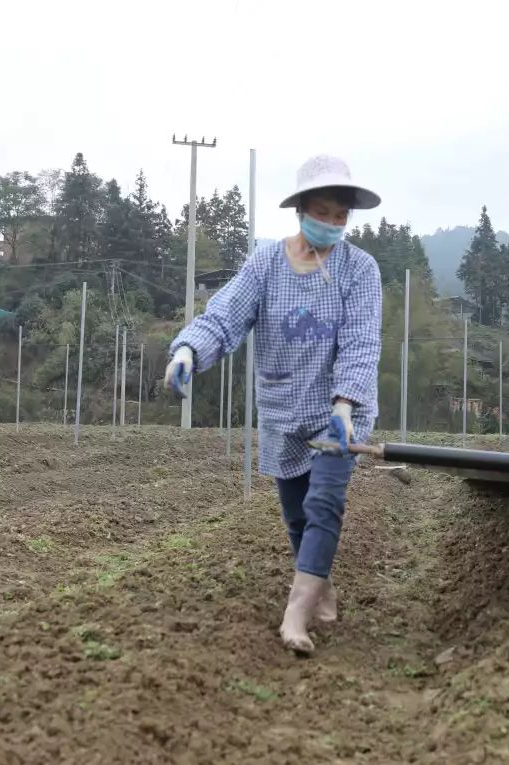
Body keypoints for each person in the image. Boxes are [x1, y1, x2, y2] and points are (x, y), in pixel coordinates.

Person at [163, 155, 383, 655]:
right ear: (301, 209)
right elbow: (226, 316)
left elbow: (361, 342)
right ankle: (320, 588)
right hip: (284, 409)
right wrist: (188, 350)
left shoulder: (360, 270)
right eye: (322, 211)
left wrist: (346, 404)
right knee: (297, 518)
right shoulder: (266, 262)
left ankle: (295, 614)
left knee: (325, 503)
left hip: (340, 413)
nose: (330, 223)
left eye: (339, 216)